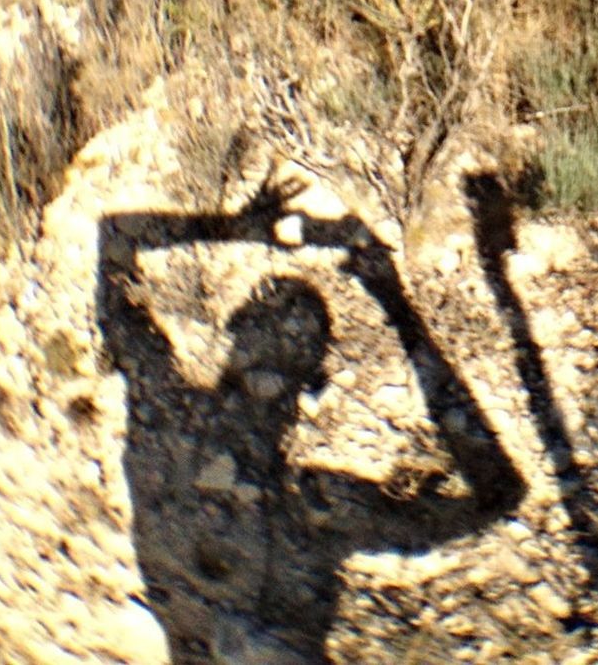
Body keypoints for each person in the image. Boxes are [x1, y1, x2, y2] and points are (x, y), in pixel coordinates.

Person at [96, 181, 526, 664]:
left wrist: (237, 228)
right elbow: (498, 496)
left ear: (230, 340)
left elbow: (114, 237)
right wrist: (395, 303)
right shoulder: (314, 508)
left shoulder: (167, 412)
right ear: (313, 381)